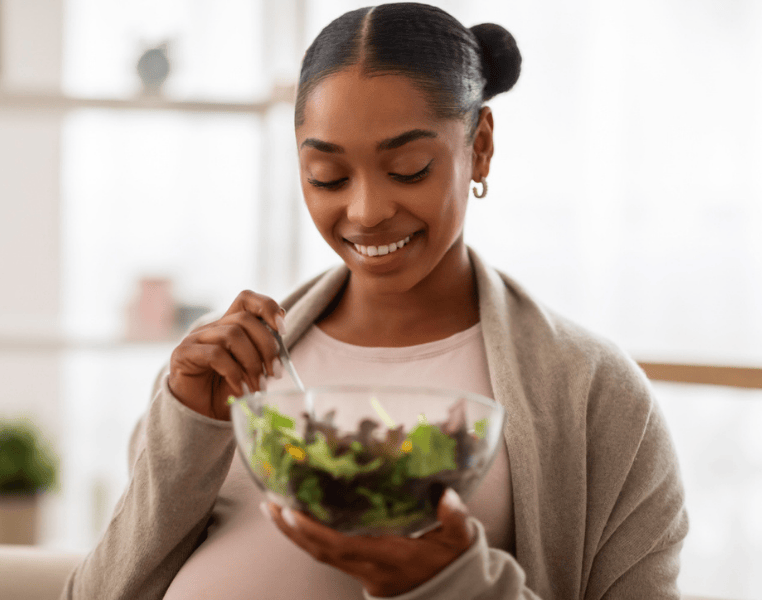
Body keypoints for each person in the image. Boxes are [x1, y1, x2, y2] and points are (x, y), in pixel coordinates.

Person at [61, 3, 688, 598]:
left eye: (410, 168)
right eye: (327, 177)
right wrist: (187, 429)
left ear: (482, 146)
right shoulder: (224, 366)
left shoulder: (593, 393)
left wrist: (453, 583)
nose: (365, 212)